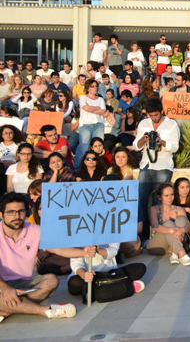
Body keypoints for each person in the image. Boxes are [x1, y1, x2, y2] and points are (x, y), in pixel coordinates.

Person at [0, 192, 94, 321]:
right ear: (1, 214)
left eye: (21, 211)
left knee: (51, 280)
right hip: (1, 283)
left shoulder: (34, 230)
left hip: (24, 284)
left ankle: (6, 309)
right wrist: (5, 289)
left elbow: (59, 249)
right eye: (11, 212)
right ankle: (45, 310)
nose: (17, 216)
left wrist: (84, 252)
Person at [133, 98, 180, 241]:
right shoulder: (143, 123)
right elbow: (136, 146)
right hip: (146, 165)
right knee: (141, 201)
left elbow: (175, 147)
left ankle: (157, 235)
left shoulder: (171, 124)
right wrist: (144, 139)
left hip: (163, 166)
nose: (153, 118)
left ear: (161, 111)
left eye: (156, 115)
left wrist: (161, 141)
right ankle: (143, 236)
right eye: (150, 115)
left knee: (157, 202)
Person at [67, 242, 146, 300]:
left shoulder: (110, 225)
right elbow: (77, 264)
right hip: (89, 276)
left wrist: (98, 250)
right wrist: (84, 274)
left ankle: (96, 291)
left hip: (109, 273)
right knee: (74, 283)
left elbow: (114, 250)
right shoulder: (78, 232)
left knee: (140, 268)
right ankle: (124, 285)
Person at [147, 183, 190, 265]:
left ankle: (176, 252)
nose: (170, 198)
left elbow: (188, 225)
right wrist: (170, 230)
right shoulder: (154, 209)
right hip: (158, 246)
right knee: (168, 223)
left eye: (172, 195)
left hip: (174, 243)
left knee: (182, 220)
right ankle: (181, 252)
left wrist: (182, 230)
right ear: (159, 197)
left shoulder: (178, 209)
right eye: (166, 195)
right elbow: (155, 226)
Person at [75, 79, 105, 165]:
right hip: (86, 124)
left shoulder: (100, 99)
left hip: (98, 124)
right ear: (88, 88)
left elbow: (103, 111)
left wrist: (91, 109)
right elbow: (86, 108)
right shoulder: (83, 97)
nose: (95, 88)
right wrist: (97, 108)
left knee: (98, 147)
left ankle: (98, 166)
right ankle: (79, 167)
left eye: (96, 86)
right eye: (92, 86)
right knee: (84, 147)